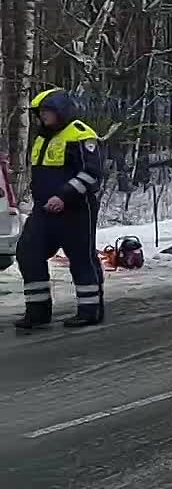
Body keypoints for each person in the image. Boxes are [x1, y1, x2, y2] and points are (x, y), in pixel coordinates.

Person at [14, 87, 105, 330]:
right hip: (43, 210)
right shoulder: (43, 138)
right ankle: (38, 311)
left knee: (81, 259)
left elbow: (92, 175)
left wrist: (64, 196)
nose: (43, 117)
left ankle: (90, 310)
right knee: (28, 252)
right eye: (40, 113)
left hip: (76, 210)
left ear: (61, 111)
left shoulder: (80, 135)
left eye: (48, 112)